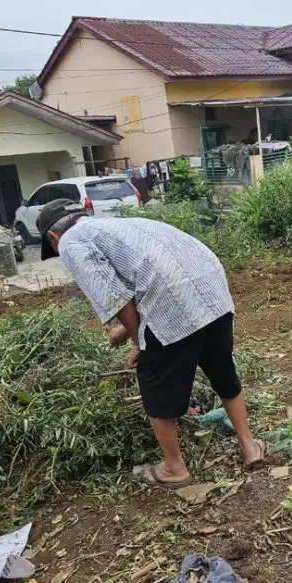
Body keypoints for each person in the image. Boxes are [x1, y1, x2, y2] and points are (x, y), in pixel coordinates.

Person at [35, 198, 264, 489]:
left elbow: (116, 297)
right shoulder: (114, 225)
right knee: (221, 369)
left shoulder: (70, 242)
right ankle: (249, 447)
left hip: (172, 302)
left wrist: (138, 343)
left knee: (154, 379)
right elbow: (143, 275)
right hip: (211, 289)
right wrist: (125, 331)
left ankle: (174, 468)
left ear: (53, 237)